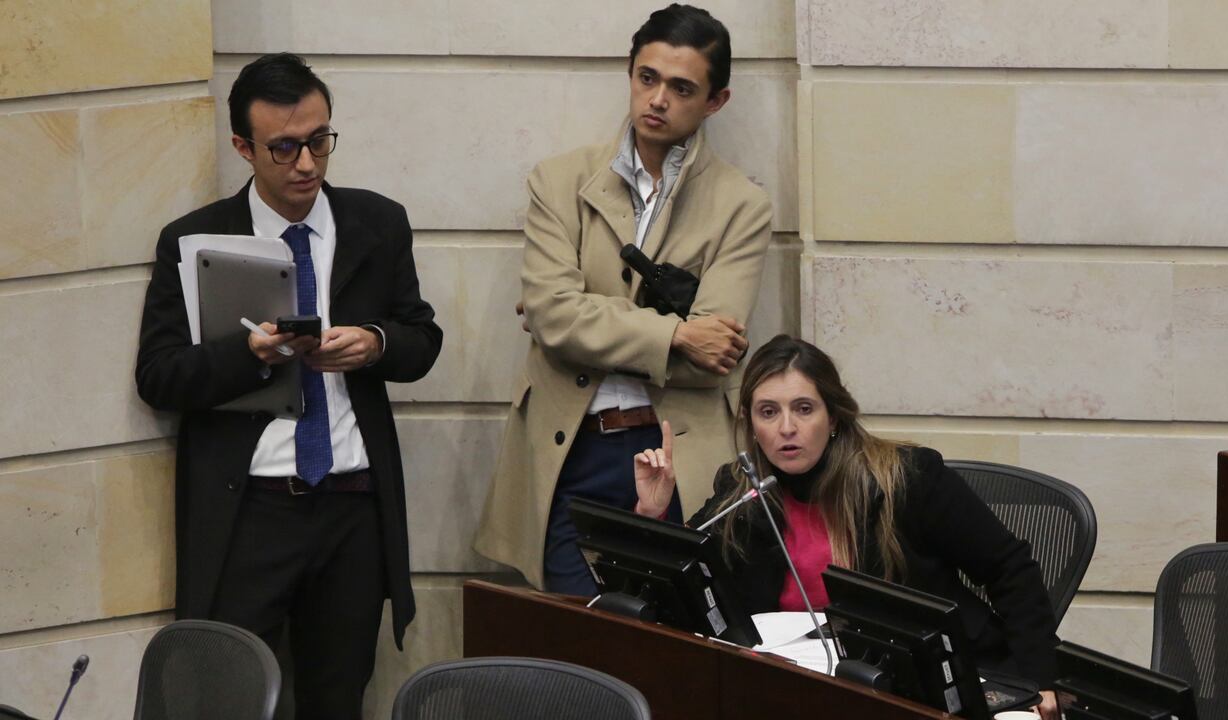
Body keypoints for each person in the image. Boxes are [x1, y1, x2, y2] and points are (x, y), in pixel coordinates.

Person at [134, 53, 443, 718]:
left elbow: (422, 341)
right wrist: (248, 354)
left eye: (319, 140)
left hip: (352, 503)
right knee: (231, 696)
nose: (306, 164)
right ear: (244, 147)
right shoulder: (195, 240)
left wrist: (374, 344)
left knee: (339, 695)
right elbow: (158, 376)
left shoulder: (376, 223)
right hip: (253, 508)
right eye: (284, 147)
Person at [475, 3, 774, 594]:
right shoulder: (559, 180)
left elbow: (713, 356)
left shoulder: (742, 205)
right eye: (647, 78)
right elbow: (556, 315)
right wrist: (675, 333)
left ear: (715, 102)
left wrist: (579, 321)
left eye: (681, 87)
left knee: (667, 645)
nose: (657, 99)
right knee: (575, 647)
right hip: (572, 448)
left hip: (675, 452)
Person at [634, 334, 1061, 718]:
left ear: (834, 418)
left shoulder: (907, 479)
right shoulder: (743, 491)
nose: (787, 428)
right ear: (751, 424)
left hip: (919, 681)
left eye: (804, 409)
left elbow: (1011, 568)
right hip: (795, 683)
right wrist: (652, 514)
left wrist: (1038, 679)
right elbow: (686, 585)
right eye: (769, 412)